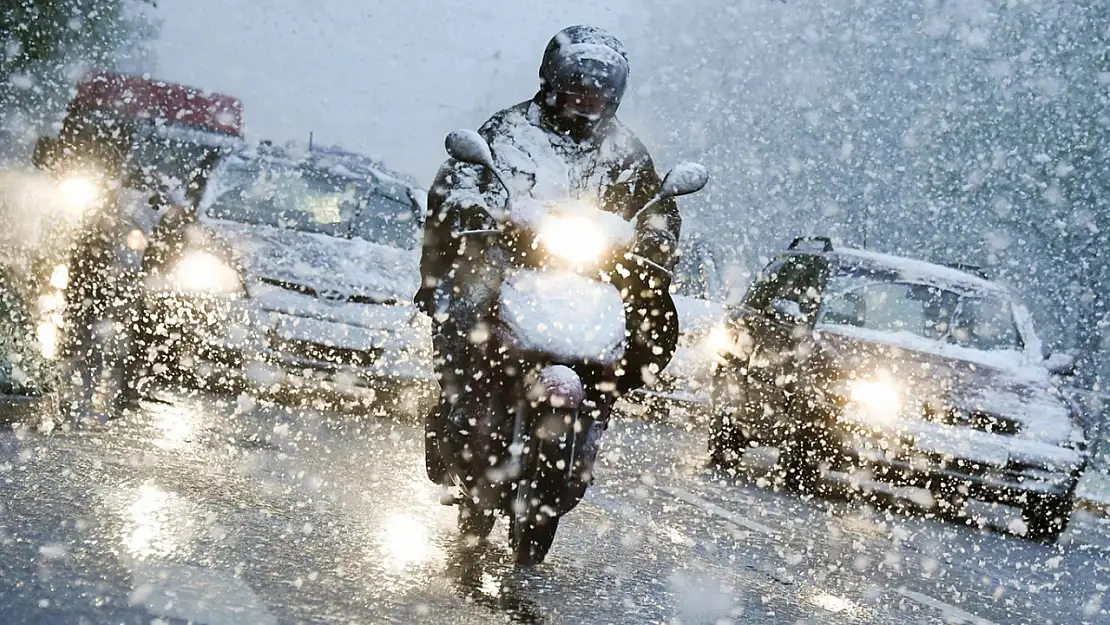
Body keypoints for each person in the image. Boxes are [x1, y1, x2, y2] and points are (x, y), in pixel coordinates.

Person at [416, 25, 683, 493]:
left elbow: (656, 209)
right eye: (578, 81)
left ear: (616, 92)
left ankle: (597, 410)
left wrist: (655, 241)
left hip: (589, 272)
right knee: (463, 302)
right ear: (552, 78)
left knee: (649, 316)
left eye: (601, 86)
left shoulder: (627, 152)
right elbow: (459, 183)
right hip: (509, 260)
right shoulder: (508, 131)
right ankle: (456, 407)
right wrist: (474, 211)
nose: (588, 94)